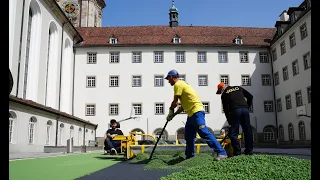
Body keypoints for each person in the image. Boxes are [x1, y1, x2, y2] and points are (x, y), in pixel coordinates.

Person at [165, 69, 228, 161]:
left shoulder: (178, 84)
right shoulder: (183, 85)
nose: (168, 81)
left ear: (171, 77)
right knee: (189, 136)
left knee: (204, 132)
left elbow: (175, 102)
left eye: (168, 79)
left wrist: (170, 110)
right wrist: (173, 115)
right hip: (191, 114)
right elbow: (182, 107)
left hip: (197, 112)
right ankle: (189, 156)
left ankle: (222, 153)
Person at [216, 82, 254, 156]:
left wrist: (230, 122)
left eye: (220, 91)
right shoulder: (238, 87)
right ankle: (249, 151)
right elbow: (250, 97)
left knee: (233, 134)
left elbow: (226, 110)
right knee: (247, 131)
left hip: (235, 111)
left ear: (222, 88)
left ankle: (237, 152)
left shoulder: (224, 94)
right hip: (245, 110)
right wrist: (247, 107)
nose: (221, 92)